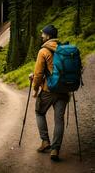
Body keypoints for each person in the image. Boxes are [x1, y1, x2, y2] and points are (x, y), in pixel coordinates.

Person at [29, 25, 69, 161]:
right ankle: (55, 150)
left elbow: (39, 74)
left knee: (39, 112)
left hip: (49, 90)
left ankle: (45, 141)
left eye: (43, 34)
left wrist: (35, 89)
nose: (41, 36)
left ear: (48, 36)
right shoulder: (63, 49)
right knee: (59, 120)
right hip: (64, 89)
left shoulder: (43, 51)